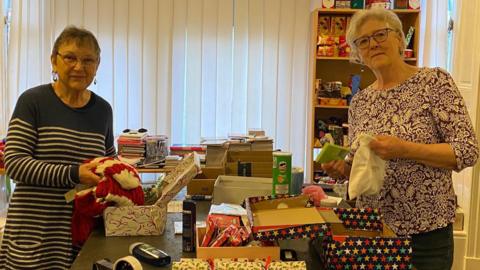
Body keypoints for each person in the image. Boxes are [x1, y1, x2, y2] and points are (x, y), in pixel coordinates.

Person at [320, 8, 478, 270]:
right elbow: (359, 167)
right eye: (363, 41)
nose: (373, 44)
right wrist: (342, 169)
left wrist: (405, 149)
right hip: (372, 231)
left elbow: (467, 150)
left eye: (380, 34)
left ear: (399, 39)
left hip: (426, 235)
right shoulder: (360, 102)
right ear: (358, 53)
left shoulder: (434, 82)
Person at [0, 26, 115, 269]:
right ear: (54, 60)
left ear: (97, 65)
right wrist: (74, 174)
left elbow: (109, 162)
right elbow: (16, 164)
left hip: (83, 234)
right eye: (70, 57)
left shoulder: (103, 111)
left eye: (88, 60)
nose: (78, 66)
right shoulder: (33, 101)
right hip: (35, 234)